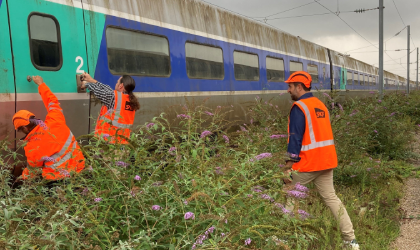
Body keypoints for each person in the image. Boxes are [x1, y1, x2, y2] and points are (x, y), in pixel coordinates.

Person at [283, 71, 359, 250]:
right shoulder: (320, 105)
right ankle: (351, 241)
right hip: (326, 162)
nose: (288, 90)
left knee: (290, 196)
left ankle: (285, 239)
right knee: (332, 198)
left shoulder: (299, 107)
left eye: (290, 86)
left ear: (299, 87)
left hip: (308, 163)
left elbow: (295, 138)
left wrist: (288, 166)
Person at [12, 76, 85, 181]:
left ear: (24, 128)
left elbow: (32, 172)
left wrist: (19, 180)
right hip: (79, 168)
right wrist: (41, 84)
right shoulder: (55, 119)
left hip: (59, 179)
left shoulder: (33, 147)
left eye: (19, 130)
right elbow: (53, 102)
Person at [81, 73, 140, 144]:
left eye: (117, 82)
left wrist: (86, 84)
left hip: (110, 141)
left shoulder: (114, 97)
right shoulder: (130, 100)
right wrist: (91, 80)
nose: (116, 84)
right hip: (123, 141)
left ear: (121, 86)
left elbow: (98, 91)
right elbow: (107, 89)